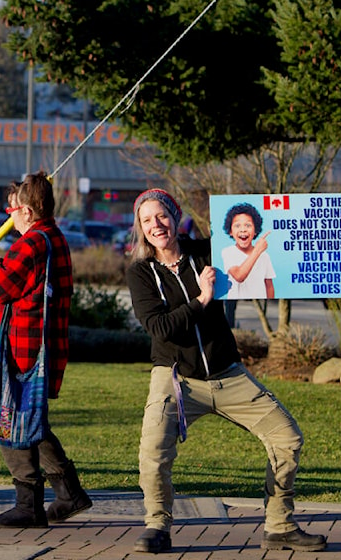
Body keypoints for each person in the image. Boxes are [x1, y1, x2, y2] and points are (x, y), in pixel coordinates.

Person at [125, 188, 326, 554]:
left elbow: (276, 260)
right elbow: (160, 328)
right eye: (147, 219)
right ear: (140, 227)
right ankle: (157, 526)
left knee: (287, 438)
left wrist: (334, 274)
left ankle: (279, 526)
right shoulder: (140, 273)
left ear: (176, 215)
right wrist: (201, 299)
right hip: (175, 378)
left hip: (228, 374)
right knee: (153, 453)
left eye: (162, 215)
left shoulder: (208, 252)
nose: (157, 225)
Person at [0, 171, 92, 528]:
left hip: (20, 353)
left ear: (26, 210)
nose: (9, 215)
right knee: (34, 422)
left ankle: (28, 502)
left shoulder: (32, 243)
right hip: (41, 348)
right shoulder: (54, 238)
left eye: (11, 208)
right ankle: (69, 493)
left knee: (10, 422)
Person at [221, 202, 275, 299]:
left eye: (248, 225)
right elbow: (239, 276)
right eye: (237, 226)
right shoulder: (228, 252)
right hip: (238, 305)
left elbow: (269, 286)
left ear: (255, 231)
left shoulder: (265, 256)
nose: (243, 230)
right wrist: (257, 251)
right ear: (230, 232)